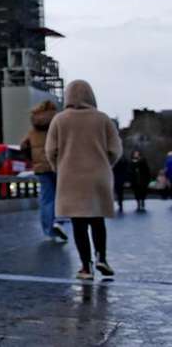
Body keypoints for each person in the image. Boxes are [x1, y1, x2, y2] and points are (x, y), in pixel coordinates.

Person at [46, 79, 122, 281]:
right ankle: (101, 257)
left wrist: (59, 167)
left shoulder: (59, 120)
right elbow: (115, 150)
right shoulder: (103, 119)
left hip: (70, 177)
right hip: (98, 176)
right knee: (97, 219)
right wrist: (105, 164)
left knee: (78, 223)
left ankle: (86, 267)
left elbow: (50, 151)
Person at [19, 100, 66, 242]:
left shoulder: (33, 130)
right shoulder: (58, 124)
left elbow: (23, 146)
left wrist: (33, 159)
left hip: (41, 168)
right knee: (61, 195)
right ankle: (58, 220)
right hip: (58, 165)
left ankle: (48, 229)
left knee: (47, 198)